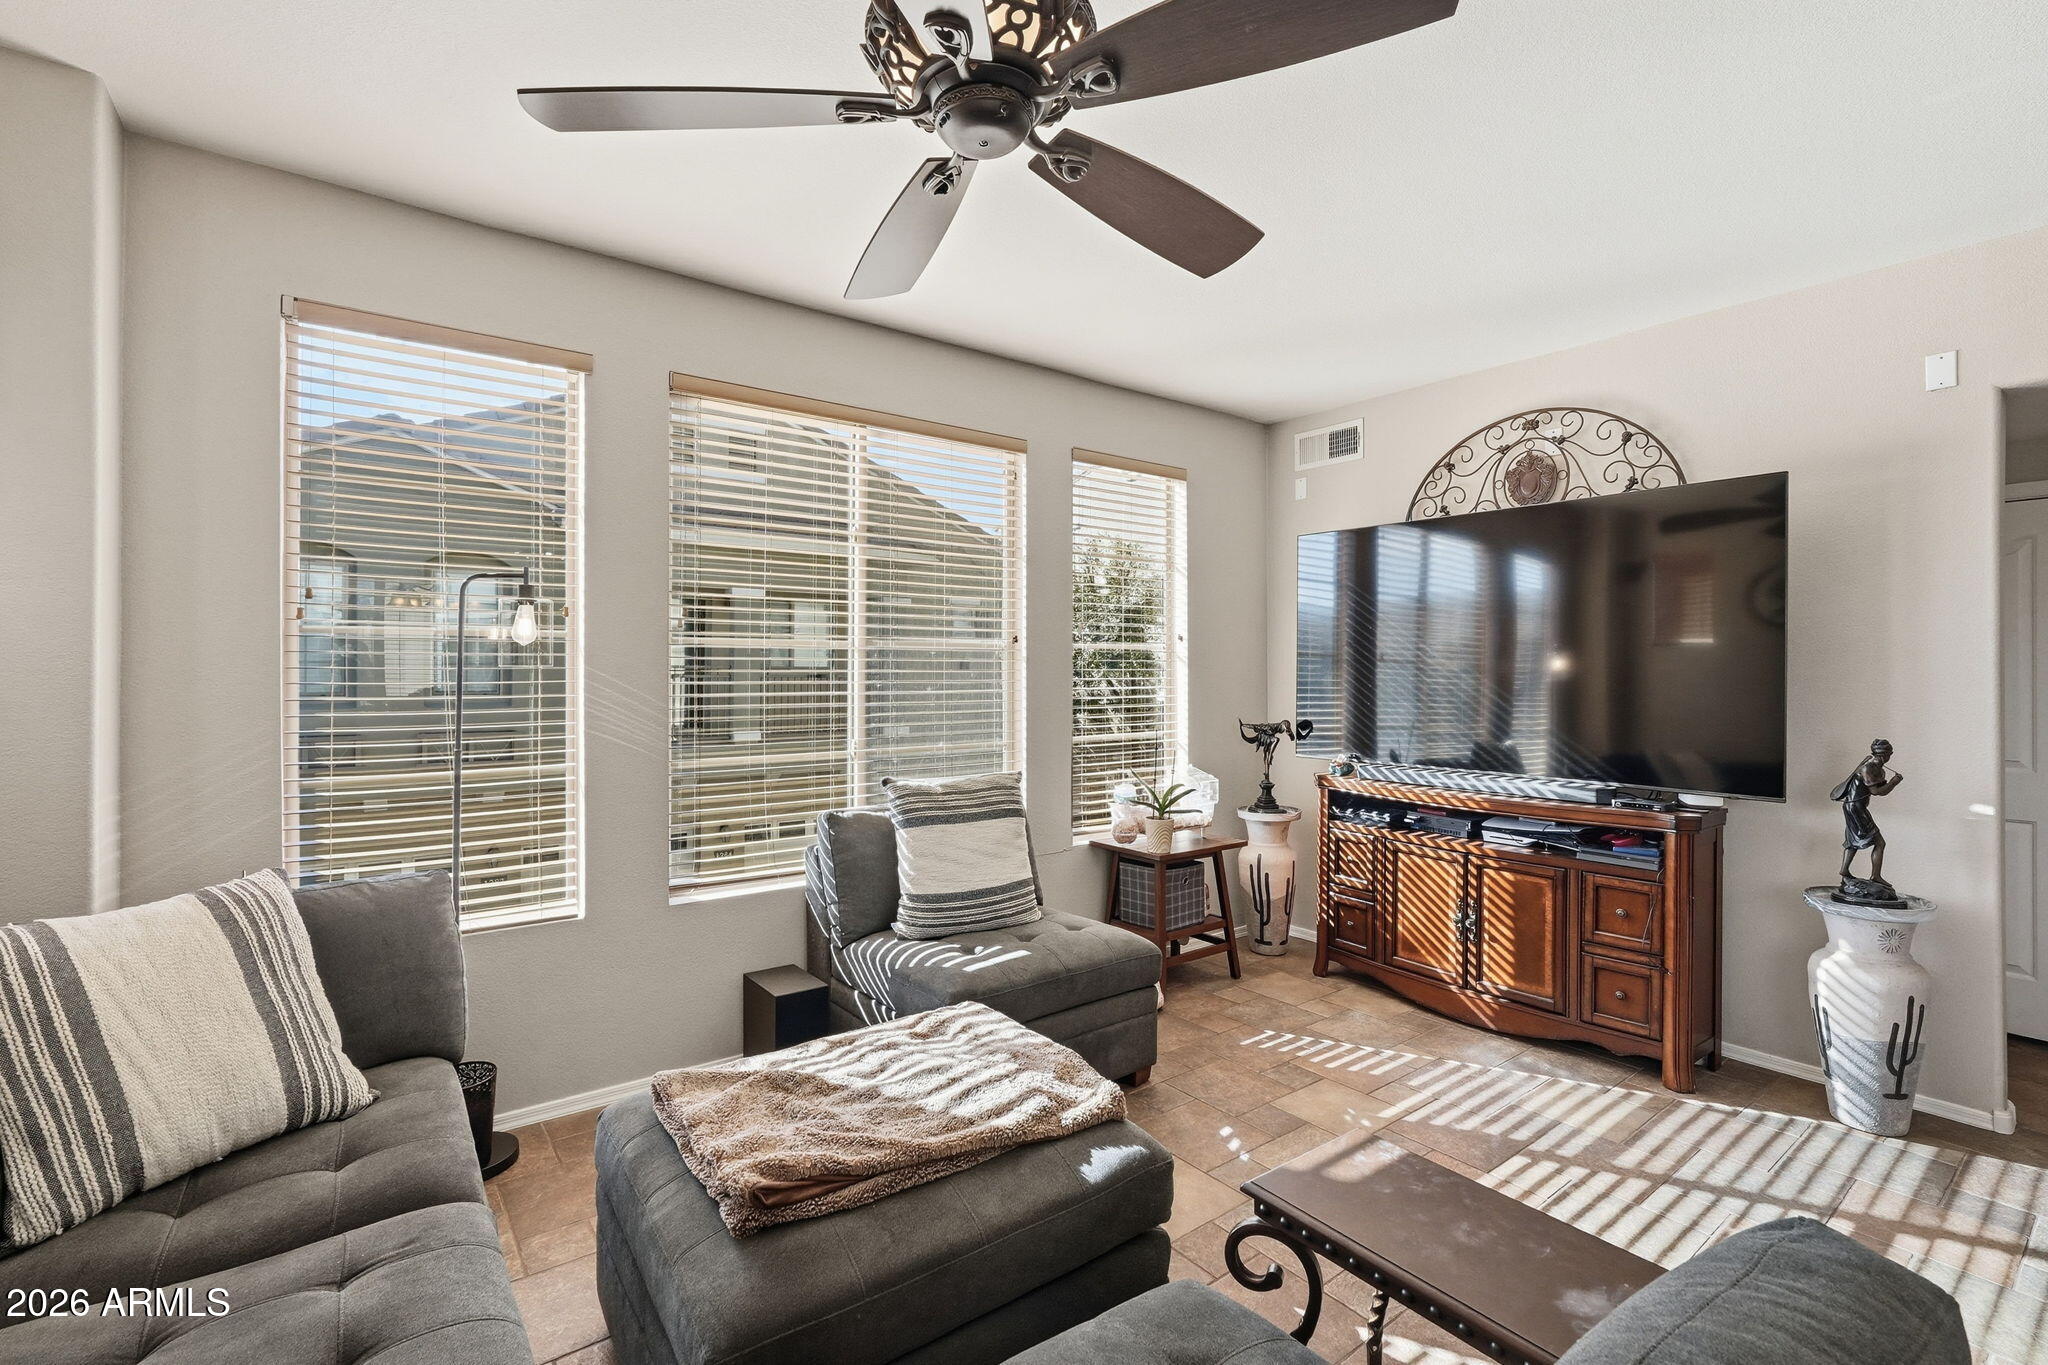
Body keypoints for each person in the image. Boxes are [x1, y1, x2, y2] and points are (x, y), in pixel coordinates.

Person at [1830, 739, 1902, 895]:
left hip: (1853, 808)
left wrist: (1890, 783)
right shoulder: (1868, 768)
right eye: (1889, 754)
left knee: (1852, 841)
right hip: (1856, 809)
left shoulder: (1877, 769)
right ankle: (1875, 876)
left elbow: (1879, 790)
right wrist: (1894, 782)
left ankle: (1844, 870)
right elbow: (1877, 791)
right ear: (1885, 754)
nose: (1890, 756)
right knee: (1879, 842)